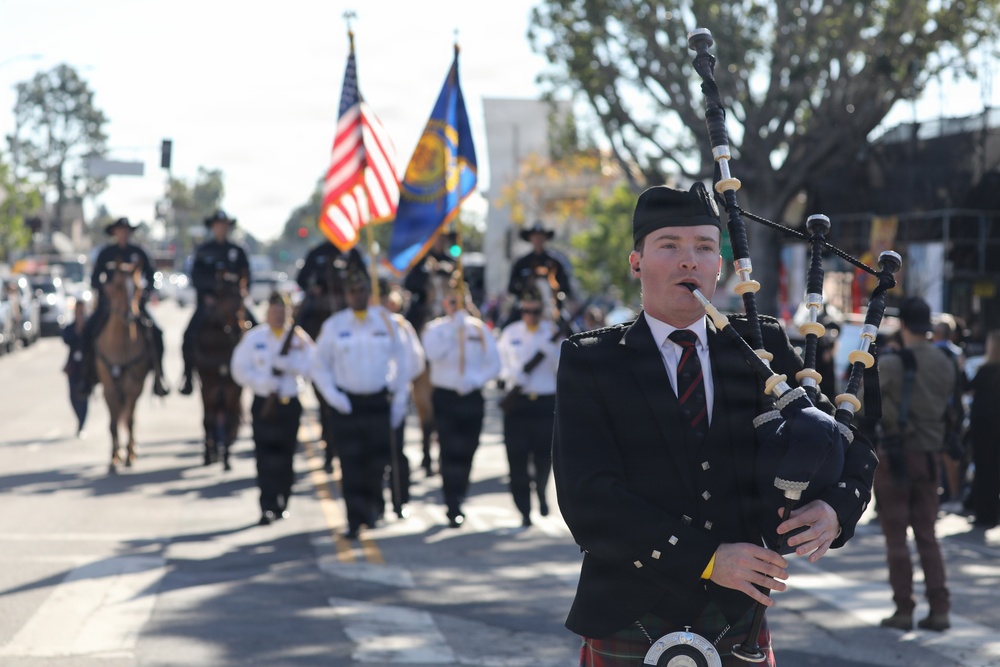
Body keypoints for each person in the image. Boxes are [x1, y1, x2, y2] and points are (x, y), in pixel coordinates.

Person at [552, 183, 877, 666]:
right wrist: (707, 558)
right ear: (636, 262)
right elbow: (587, 497)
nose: (690, 261)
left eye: (705, 247)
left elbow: (845, 443)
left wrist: (835, 508)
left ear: (720, 266)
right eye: (670, 246)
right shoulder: (592, 360)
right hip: (627, 610)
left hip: (737, 620)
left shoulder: (761, 345)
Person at [310, 269, 412, 539]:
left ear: (369, 293)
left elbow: (404, 363)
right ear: (346, 295)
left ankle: (373, 509)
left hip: (378, 403)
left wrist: (400, 401)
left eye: (362, 291)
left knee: (376, 463)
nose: (358, 295)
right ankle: (354, 518)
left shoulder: (386, 322)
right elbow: (319, 367)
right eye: (353, 291)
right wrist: (334, 397)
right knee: (351, 463)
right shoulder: (335, 326)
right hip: (348, 406)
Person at [875, 296, 956, 632]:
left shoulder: (893, 363)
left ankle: (904, 609)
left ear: (903, 324)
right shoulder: (945, 362)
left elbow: (870, 403)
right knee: (927, 535)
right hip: (931, 455)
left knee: (896, 538)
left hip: (896, 456)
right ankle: (940, 609)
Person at [421, 277, 501, 527]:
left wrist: (477, 379)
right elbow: (432, 355)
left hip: (472, 396)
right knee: (448, 449)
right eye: (451, 301)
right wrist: (453, 331)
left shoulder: (478, 329)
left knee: (468, 448)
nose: (456, 305)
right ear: (445, 303)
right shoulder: (435, 329)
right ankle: (451, 502)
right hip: (445, 396)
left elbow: (495, 364)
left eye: (460, 301)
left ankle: (461, 492)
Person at [231, 291, 314, 526]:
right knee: (264, 456)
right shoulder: (255, 338)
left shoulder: (298, 338)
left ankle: (282, 501)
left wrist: (291, 365)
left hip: (289, 404)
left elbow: (313, 365)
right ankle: (267, 505)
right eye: (274, 311)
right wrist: (263, 382)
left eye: (283, 312)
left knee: (286, 455)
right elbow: (239, 369)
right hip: (264, 403)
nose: (278, 316)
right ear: (267, 312)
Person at [78, 217, 169, 397]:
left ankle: (159, 377)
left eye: (126, 230)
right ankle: (86, 377)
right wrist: (105, 287)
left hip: (134, 305)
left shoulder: (139, 252)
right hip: (108, 305)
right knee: (87, 331)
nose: (123, 233)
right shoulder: (106, 253)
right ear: (114, 232)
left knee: (156, 333)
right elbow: (95, 279)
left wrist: (142, 293)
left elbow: (151, 279)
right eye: (120, 230)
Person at [497, 286, 563, 527]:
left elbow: (563, 372)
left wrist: (552, 352)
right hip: (517, 404)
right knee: (517, 460)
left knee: (544, 458)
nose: (530, 316)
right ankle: (523, 509)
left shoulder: (553, 333)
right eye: (526, 311)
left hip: (545, 404)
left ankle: (542, 492)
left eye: (535, 311)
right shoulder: (510, 333)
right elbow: (500, 364)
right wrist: (515, 376)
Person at [180, 210, 255, 395]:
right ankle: (188, 376)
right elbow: (195, 276)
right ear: (212, 227)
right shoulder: (203, 250)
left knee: (257, 329)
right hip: (209, 304)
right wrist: (208, 292)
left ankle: (257, 373)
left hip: (234, 304)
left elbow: (247, 277)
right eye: (218, 225)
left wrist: (240, 294)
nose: (222, 228)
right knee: (189, 335)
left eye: (225, 225)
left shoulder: (238, 251)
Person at [379, 277, 426, 518]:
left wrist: (401, 386)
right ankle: (375, 505)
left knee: (397, 450)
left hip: (397, 395)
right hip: (372, 398)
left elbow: (415, 362)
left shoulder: (402, 326)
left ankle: (400, 501)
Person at [505, 221, 573, 326]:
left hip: (551, 305)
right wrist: (526, 285)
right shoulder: (522, 262)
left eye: (541, 236)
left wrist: (553, 291)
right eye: (535, 236)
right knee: (506, 326)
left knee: (570, 330)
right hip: (526, 306)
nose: (538, 239)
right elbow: (511, 287)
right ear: (530, 238)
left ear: (545, 238)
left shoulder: (555, 262)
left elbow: (566, 287)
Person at [295, 239, 366, 336]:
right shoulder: (316, 252)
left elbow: (365, 278)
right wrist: (313, 288)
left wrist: (354, 288)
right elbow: (301, 279)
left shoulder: (352, 252)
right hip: (319, 306)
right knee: (303, 323)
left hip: (346, 303)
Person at [967, 329, 1000, 528]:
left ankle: (984, 512)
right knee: (994, 468)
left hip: (983, 426)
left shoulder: (986, 370)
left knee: (983, 468)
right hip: (994, 425)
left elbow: (967, 387)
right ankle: (992, 511)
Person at [403, 232, 456, 334]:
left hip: (446, 306)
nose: (440, 242)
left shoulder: (450, 260)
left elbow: (454, 275)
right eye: (437, 238)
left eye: (443, 239)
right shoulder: (420, 260)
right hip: (425, 306)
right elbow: (410, 282)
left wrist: (439, 269)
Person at [62, 300, 90, 437]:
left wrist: (84, 328)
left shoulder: (90, 326)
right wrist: (77, 330)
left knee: (84, 396)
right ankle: (79, 419)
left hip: (86, 366)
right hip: (73, 365)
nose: (80, 314)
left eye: (82, 311)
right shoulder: (71, 327)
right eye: (78, 311)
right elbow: (66, 339)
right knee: (73, 396)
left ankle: (82, 424)